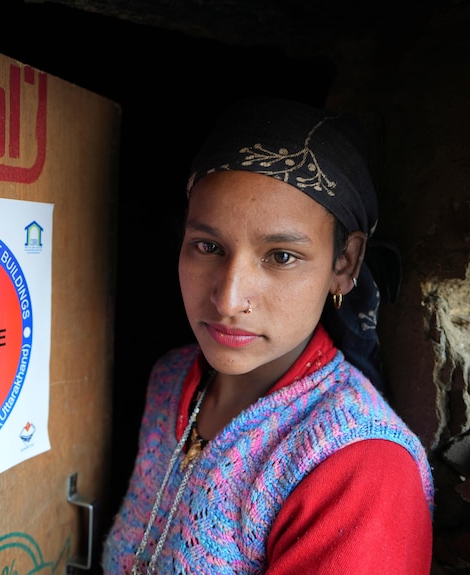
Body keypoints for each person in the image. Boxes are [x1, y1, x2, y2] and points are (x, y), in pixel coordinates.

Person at [102, 97, 434, 574]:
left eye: (281, 256)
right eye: (208, 246)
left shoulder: (360, 469)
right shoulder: (171, 380)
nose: (228, 299)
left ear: (345, 264)